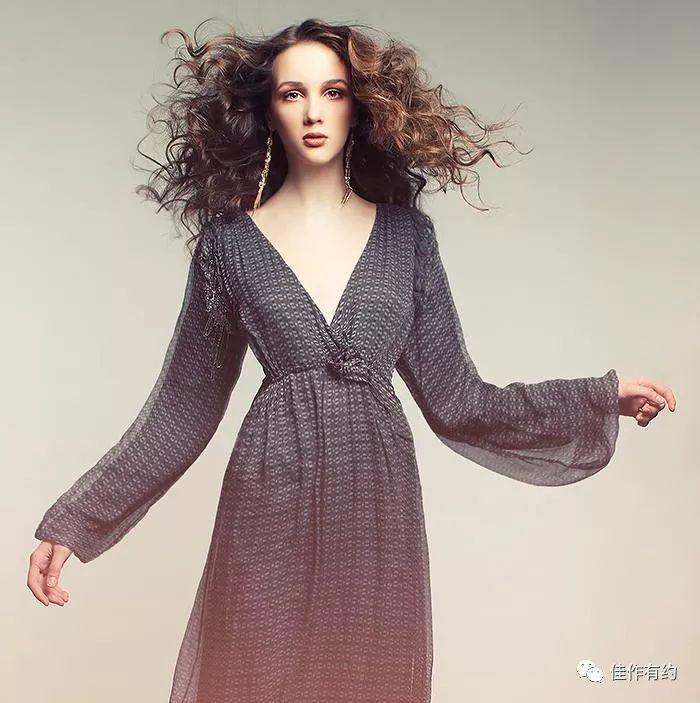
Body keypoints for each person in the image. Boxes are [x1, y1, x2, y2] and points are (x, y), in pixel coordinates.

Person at [27, 17, 676, 703]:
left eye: (332, 92)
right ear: (268, 112)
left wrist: (596, 396)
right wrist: (76, 521)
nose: (313, 111)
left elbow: (461, 401)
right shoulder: (229, 245)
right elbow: (180, 413)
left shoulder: (407, 238)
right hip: (268, 496)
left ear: (359, 106)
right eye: (293, 94)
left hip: (376, 506)